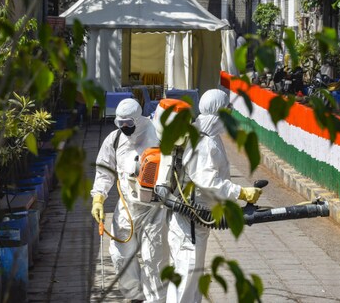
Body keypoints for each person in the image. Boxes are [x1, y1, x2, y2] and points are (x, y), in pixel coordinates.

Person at [166, 89, 262, 303]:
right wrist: (240, 191)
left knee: (194, 274)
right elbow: (208, 181)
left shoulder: (209, 135)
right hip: (189, 220)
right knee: (185, 274)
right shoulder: (202, 140)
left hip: (198, 221)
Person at [91, 98, 168, 303]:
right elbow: (104, 170)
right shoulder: (114, 139)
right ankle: (135, 296)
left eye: (129, 124)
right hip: (127, 207)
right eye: (120, 123)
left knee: (154, 260)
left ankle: (155, 300)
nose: (125, 127)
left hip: (155, 209)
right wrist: (98, 197)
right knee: (119, 254)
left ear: (138, 119)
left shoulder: (157, 134)